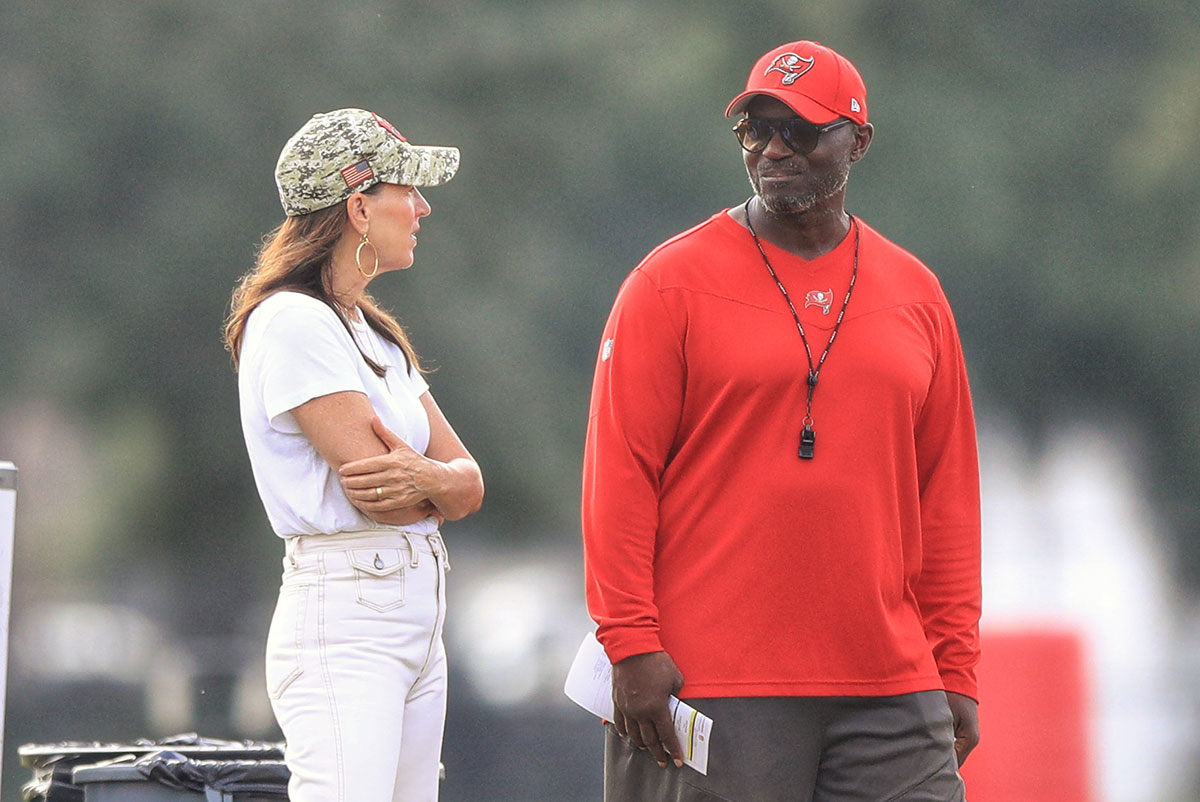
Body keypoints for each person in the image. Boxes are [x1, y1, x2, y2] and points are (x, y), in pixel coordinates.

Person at [582, 41, 981, 801]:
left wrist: (955, 665)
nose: (772, 148)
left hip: (889, 689)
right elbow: (619, 474)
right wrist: (630, 642)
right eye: (755, 130)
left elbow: (949, 496)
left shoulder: (916, 294)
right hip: (709, 684)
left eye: (798, 129)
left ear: (857, 141)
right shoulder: (666, 284)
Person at [224, 108, 484, 802]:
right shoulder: (291, 320)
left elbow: (468, 483)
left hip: (409, 613)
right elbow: (394, 497)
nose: (423, 208)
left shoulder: (371, 330)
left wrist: (435, 479)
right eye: (409, 190)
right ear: (359, 207)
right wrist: (440, 484)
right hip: (350, 620)